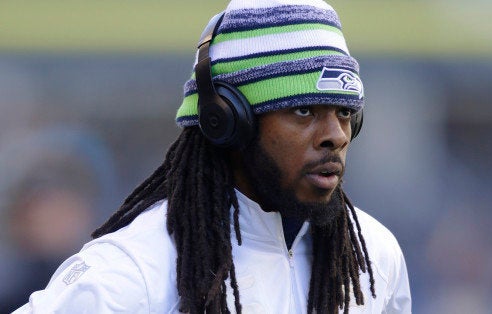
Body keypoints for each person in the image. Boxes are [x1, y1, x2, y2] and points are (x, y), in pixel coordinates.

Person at [14, 0, 411, 313]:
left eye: (344, 112)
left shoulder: (377, 256)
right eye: (304, 111)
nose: (334, 136)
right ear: (226, 120)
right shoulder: (132, 272)